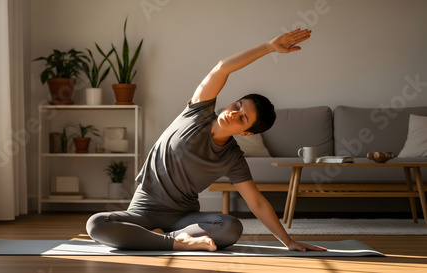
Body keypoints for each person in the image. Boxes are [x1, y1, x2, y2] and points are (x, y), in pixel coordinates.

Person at [86, 29, 327, 252]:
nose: (233, 112)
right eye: (238, 105)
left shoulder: (232, 157)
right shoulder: (197, 113)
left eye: (242, 118)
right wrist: (269, 47)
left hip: (183, 219)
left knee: (230, 226)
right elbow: (222, 68)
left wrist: (288, 241)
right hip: (143, 210)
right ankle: (174, 242)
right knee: (96, 224)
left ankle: (159, 238)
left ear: (246, 132)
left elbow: (257, 202)